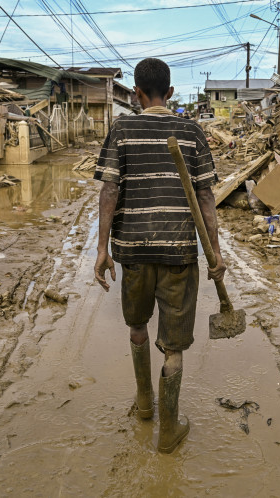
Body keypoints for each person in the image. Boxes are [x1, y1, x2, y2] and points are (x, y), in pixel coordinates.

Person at [93, 58, 226, 454]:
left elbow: (108, 192)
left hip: (132, 251)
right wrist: (215, 252)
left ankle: (144, 403)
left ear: (136, 93)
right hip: (179, 253)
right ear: (169, 93)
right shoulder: (191, 131)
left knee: (137, 328)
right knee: (174, 346)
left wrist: (102, 249)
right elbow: (205, 196)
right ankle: (168, 431)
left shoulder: (121, 128)